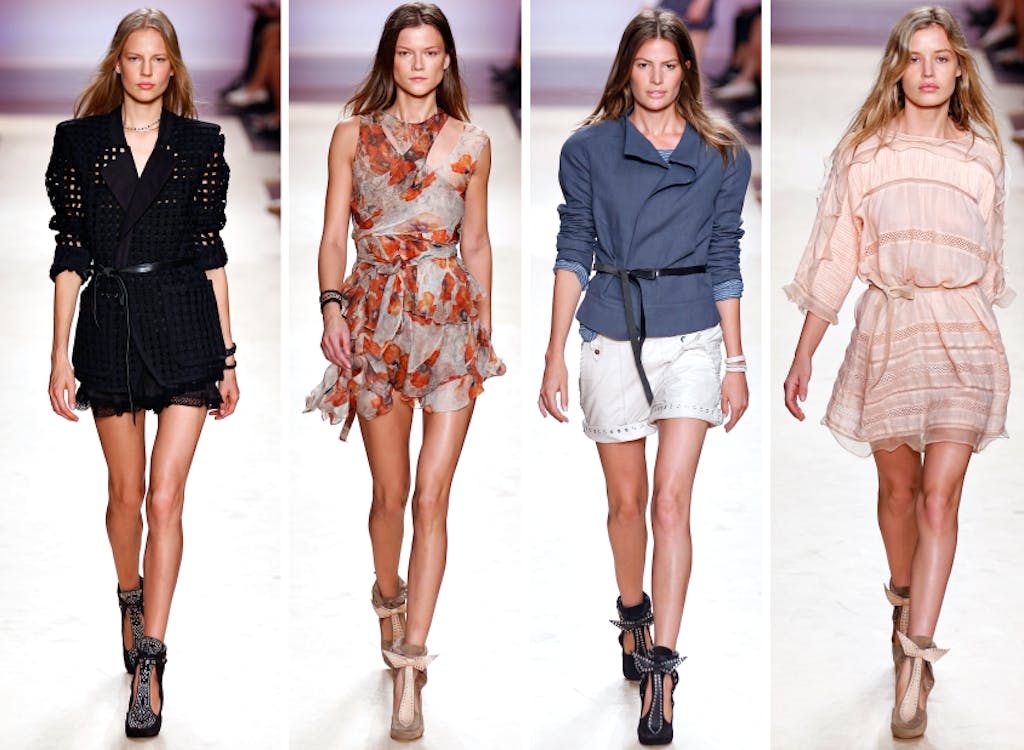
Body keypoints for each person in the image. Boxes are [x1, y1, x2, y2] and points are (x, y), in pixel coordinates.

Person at [782, 6, 1011, 739]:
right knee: (898, 492)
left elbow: (989, 263)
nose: (928, 71)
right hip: (889, 329)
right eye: (915, 58)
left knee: (940, 498)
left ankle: (916, 658)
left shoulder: (982, 157)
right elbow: (835, 257)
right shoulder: (865, 156)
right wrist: (804, 352)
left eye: (941, 57)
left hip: (964, 336)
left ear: (959, 69)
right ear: (897, 68)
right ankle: (905, 600)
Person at [538, 8, 751, 745]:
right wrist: (553, 351)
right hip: (610, 329)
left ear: (687, 70)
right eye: (643, 65)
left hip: (692, 333)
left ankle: (662, 669)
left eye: (669, 65)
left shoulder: (722, 154)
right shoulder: (588, 149)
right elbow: (574, 248)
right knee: (626, 505)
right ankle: (633, 612)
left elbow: (725, 257)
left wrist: (736, 361)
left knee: (669, 502)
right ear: (626, 70)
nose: (656, 79)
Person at [304, 2, 504, 741]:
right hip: (377, 323)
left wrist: (485, 322)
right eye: (406, 52)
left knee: (431, 497)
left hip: (449, 324)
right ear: (390, 59)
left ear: (447, 61)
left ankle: (410, 666)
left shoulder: (473, 144)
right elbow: (332, 235)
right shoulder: (351, 136)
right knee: (389, 495)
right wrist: (331, 309)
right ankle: (388, 595)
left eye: (431, 52)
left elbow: (476, 240)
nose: (419, 65)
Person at [46, 8, 238, 738]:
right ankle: (130, 596)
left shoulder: (201, 144)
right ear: (118, 65)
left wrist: (228, 355)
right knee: (124, 496)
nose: (148, 70)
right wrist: (58, 354)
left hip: (185, 323)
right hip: (112, 327)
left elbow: (210, 251)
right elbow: (71, 253)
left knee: (165, 500)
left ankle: (150, 663)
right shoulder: (79, 143)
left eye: (159, 59)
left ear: (173, 67)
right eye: (136, 58)